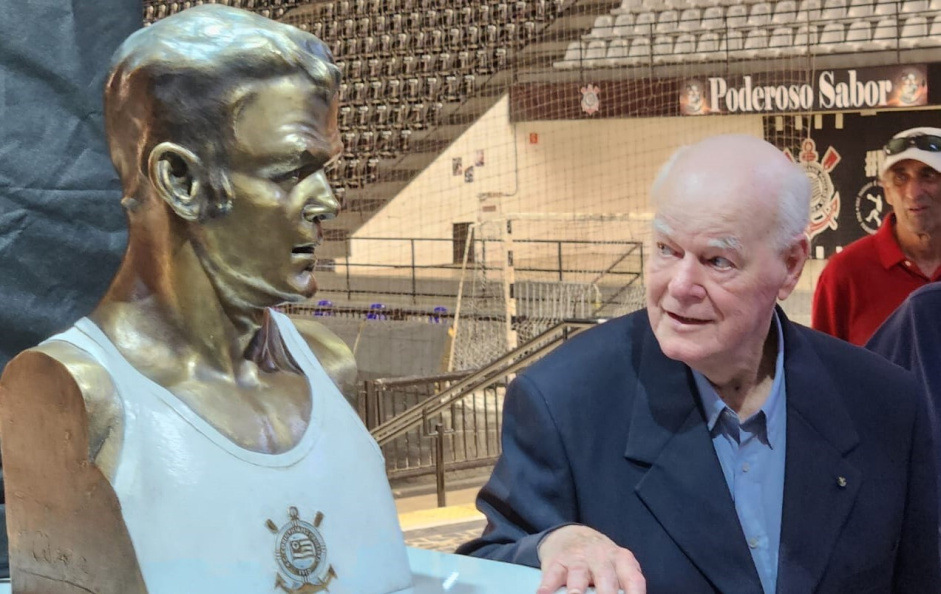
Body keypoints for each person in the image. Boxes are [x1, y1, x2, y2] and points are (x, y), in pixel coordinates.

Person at [0, 6, 412, 593]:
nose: (327, 202)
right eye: (290, 172)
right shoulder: (76, 396)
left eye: (325, 169)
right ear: (181, 182)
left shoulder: (327, 365)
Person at [457, 135, 940, 593]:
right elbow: (484, 563)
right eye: (667, 250)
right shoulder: (561, 401)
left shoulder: (886, 403)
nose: (680, 285)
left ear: (790, 266)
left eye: (717, 261)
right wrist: (547, 545)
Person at [812, 127, 941, 345]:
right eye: (901, 178)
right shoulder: (844, 274)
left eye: (927, 175)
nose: (913, 193)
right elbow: (822, 371)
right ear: (887, 191)